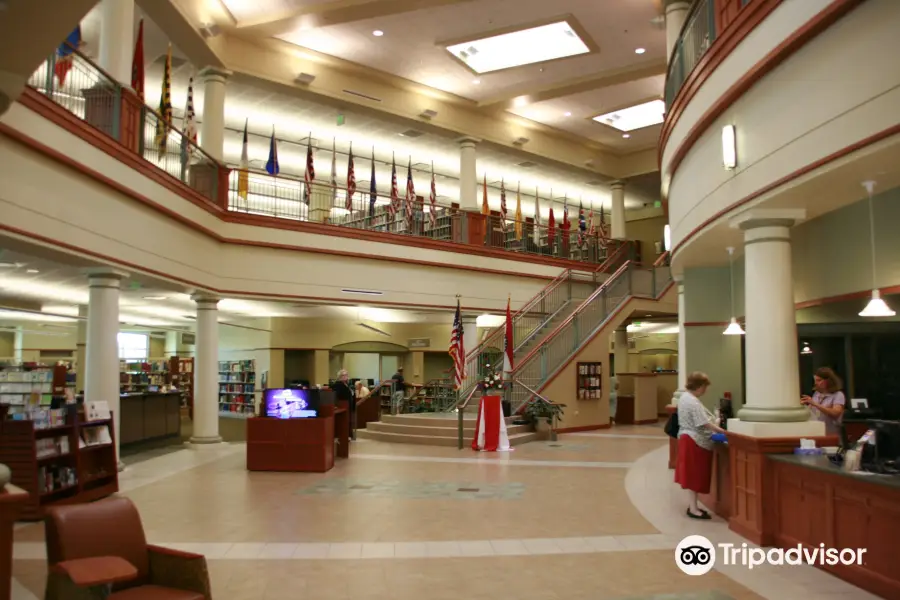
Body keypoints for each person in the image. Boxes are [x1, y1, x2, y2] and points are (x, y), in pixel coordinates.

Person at [674, 371, 725, 520]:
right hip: (695, 441)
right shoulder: (693, 402)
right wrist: (723, 431)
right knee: (695, 476)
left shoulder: (684, 398)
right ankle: (694, 509)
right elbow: (704, 423)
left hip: (687, 438)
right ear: (700, 386)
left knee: (691, 476)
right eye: (705, 387)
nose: (705, 390)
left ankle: (693, 506)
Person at [801, 367, 846, 435]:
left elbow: (836, 413)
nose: (816, 383)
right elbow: (811, 410)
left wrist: (815, 404)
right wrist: (803, 405)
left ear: (828, 381)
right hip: (816, 432)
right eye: (815, 380)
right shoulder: (817, 393)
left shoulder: (838, 395)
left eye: (819, 380)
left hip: (831, 433)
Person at [332, 369, 356, 440]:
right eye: (345, 375)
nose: (346, 377)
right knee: (344, 422)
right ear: (340, 376)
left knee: (349, 421)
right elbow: (339, 395)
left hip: (349, 405)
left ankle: (349, 435)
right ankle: (345, 436)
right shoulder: (337, 385)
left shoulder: (347, 384)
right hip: (342, 405)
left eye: (347, 375)